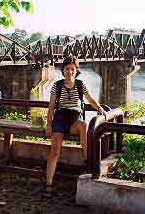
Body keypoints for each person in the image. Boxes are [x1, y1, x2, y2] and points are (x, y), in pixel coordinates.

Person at [44, 56, 107, 198]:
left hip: (74, 120)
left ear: (76, 70)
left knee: (84, 125)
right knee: (55, 151)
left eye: (72, 69)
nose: (70, 71)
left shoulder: (80, 84)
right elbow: (51, 106)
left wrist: (100, 109)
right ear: (63, 70)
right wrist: (49, 125)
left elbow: (90, 99)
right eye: (67, 69)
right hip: (60, 119)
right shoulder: (57, 85)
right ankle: (48, 183)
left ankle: (87, 161)